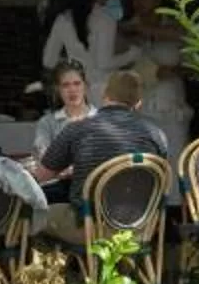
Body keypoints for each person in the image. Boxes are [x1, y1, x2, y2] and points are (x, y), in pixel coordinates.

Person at [30, 67, 168, 246]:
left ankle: (60, 271)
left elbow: (42, 176)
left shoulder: (77, 129)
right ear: (139, 102)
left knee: (34, 215)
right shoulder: (157, 135)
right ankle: (124, 269)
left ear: (105, 96)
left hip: (91, 227)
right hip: (139, 230)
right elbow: (163, 184)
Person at [121, 0, 192, 149]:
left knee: (174, 166)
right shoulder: (124, 30)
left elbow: (195, 68)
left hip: (171, 108)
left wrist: (174, 71)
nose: (139, 2)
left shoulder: (177, 28)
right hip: (137, 110)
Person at [40, 0, 131, 94]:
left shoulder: (63, 19)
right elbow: (104, 63)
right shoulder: (106, 20)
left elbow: (49, 61)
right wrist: (134, 54)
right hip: (103, 92)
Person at [32, 60, 93, 156]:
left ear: (85, 86)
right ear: (58, 89)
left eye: (77, 83)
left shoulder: (101, 118)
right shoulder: (47, 123)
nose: (72, 90)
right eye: (66, 85)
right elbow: (42, 156)